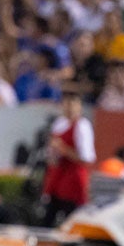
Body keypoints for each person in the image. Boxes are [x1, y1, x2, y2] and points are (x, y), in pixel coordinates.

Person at [40, 86, 96, 227]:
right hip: (57, 180)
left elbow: (86, 158)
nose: (69, 107)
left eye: (73, 103)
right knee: (48, 220)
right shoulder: (59, 124)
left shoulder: (82, 126)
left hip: (73, 183)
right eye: (66, 102)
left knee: (70, 222)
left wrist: (63, 149)